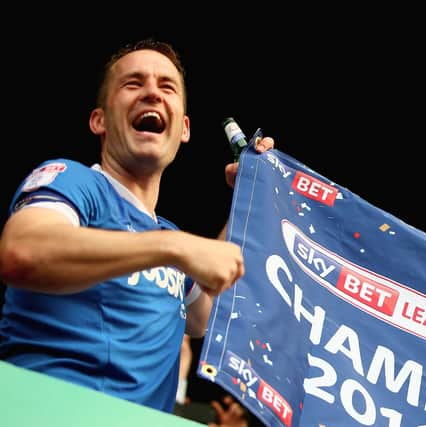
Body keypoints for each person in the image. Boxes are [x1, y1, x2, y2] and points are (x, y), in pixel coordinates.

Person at [0, 38, 273, 414]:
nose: (152, 94)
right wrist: (173, 249)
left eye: (167, 86)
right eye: (133, 84)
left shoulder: (168, 236)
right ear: (99, 120)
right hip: (46, 413)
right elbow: (23, 252)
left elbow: (206, 317)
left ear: (184, 129)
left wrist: (249, 201)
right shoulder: (72, 182)